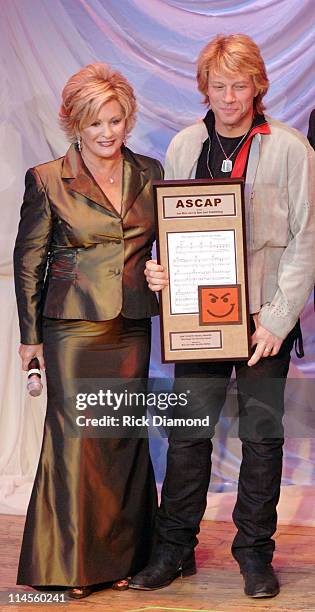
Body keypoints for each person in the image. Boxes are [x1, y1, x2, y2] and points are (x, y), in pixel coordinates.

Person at [130, 34, 315, 598]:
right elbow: (173, 232)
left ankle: (255, 554)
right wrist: (161, 274)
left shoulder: (290, 150)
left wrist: (277, 322)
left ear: (258, 85)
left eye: (239, 85)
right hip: (199, 322)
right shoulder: (186, 146)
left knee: (261, 439)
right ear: (203, 87)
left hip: (263, 322)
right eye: (218, 85)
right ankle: (174, 550)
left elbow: (306, 241)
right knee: (187, 438)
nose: (229, 97)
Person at [14, 62, 163, 599]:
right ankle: (71, 565)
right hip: (72, 328)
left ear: (129, 119)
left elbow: (162, 244)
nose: (107, 132)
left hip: (130, 325)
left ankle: (128, 556)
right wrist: (31, 337)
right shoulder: (47, 178)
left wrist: (162, 271)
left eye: (116, 120)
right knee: (77, 439)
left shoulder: (151, 170)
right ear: (74, 123)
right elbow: (29, 261)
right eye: (95, 122)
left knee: (119, 438)